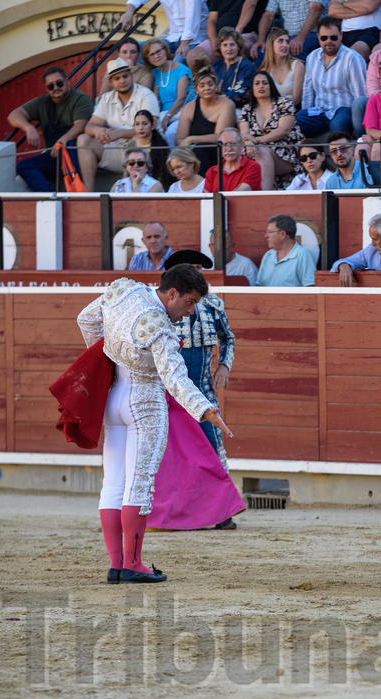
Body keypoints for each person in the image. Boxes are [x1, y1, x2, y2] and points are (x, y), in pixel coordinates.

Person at [76, 264, 231, 583]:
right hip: (144, 403)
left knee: (113, 483)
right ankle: (133, 563)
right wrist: (204, 408)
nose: (190, 312)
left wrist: (106, 358)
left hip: (114, 398)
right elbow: (175, 378)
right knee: (139, 483)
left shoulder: (124, 291)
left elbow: (87, 319)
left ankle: (116, 565)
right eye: (189, 302)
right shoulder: (158, 324)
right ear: (172, 293)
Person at [170, 251, 237, 495]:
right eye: (192, 268)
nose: (198, 273)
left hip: (203, 391)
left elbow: (228, 337)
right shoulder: (166, 303)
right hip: (170, 394)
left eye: (200, 268)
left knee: (214, 447)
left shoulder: (213, 303)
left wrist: (224, 365)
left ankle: (222, 510)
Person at [78, 59, 161, 190]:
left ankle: (135, 188)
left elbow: (152, 127)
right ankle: (89, 194)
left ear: (132, 76)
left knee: (136, 139)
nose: (122, 81)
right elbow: (89, 126)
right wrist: (98, 131)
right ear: (111, 82)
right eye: (117, 78)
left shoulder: (145, 95)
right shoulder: (106, 98)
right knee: (83, 139)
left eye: (125, 76)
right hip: (118, 151)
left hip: (147, 151)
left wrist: (119, 133)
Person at [8, 67, 92, 192]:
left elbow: (81, 126)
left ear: (67, 81)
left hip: (77, 156)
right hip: (54, 157)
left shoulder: (80, 98)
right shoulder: (43, 103)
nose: (56, 88)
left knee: (72, 144)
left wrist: (62, 140)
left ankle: (74, 193)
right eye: (51, 86)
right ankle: (51, 195)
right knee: (23, 166)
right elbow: (13, 115)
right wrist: (29, 128)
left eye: (59, 83)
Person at [299, 17, 368, 136]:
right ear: (318, 36)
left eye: (333, 37)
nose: (329, 41)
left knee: (337, 125)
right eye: (324, 38)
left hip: (344, 110)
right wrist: (306, 113)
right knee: (292, 121)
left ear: (341, 35)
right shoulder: (312, 57)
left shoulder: (352, 58)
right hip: (319, 112)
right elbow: (308, 92)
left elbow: (360, 96)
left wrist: (359, 124)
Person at [239, 71, 306, 190]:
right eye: (257, 83)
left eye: (265, 83)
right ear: (252, 88)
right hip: (256, 150)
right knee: (236, 152)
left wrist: (257, 140)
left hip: (287, 152)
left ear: (271, 86)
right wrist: (249, 142)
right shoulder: (247, 109)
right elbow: (244, 133)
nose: (261, 86)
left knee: (262, 151)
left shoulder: (284, 103)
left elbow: (284, 130)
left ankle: (263, 197)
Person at [176, 69, 237, 175]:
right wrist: (188, 147)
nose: (207, 88)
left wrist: (192, 139)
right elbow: (180, 139)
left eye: (210, 84)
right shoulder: (190, 107)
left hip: (221, 151)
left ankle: (202, 188)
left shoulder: (227, 105)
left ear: (216, 86)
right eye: (202, 85)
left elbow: (220, 137)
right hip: (194, 152)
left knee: (200, 149)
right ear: (196, 89)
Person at [144, 38, 193, 142]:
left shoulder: (182, 69)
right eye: (152, 54)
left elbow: (181, 98)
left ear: (165, 50)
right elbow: (155, 101)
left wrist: (167, 117)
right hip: (164, 114)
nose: (156, 56)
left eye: (158, 51)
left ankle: (170, 158)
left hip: (183, 112)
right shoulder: (158, 74)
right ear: (148, 59)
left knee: (170, 133)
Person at [120, 2, 200, 63]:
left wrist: (184, 43)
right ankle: (147, 79)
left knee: (176, 64)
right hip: (173, 38)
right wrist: (128, 13)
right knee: (140, 48)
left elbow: (192, 18)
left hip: (193, 39)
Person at [253, 0, 325, 61]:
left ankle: (301, 76)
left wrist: (300, 37)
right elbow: (268, 15)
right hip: (288, 38)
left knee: (297, 49)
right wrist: (261, 40)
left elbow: (315, 10)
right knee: (260, 52)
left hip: (312, 34)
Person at [257, 214, 319, 286]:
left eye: (269, 232)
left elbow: (310, 289)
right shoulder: (268, 256)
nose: (266, 236)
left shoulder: (303, 256)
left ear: (282, 234)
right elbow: (259, 286)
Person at [259, 27, 308, 107]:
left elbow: (296, 99)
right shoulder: (264, 71)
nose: (285, 45)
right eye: (280, 41)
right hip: (271, 113)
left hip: (292, 111)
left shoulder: (298, 66)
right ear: (271, 44)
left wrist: (278, 108)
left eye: (287, 42)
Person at [213, 28, 260, 103]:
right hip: (214, 106)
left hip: (238, 109)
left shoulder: (247, 66)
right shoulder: (215, 66)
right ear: (220, 48)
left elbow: (242, 92)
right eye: (225, 45)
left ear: (239, 46)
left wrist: (215, 99)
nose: (229, 49)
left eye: (232, 44)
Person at [128, 110, 172, 188]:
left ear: (152, 125)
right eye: (137, 124)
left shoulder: (161, 145)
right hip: (133, 184)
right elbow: (126, 170)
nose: (140, 128)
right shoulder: (131, 145)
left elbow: (162, 173)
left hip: (155, 186)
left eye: (145, 124)